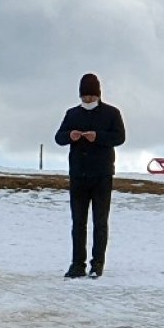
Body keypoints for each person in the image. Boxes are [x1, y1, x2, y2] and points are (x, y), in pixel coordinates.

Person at [54, 73, 126, 279]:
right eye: (84, 97)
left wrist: (99, 137)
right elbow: (58, 138)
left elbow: (120, 137)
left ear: (98, 95)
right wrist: (70, 136)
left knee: (100, 222)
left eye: (91, 97)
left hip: (102, 175)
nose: (88, 101)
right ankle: (77, 264)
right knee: (78, 222)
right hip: (78, 174)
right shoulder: (72, 114)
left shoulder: (112, 113)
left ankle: (97, 264)